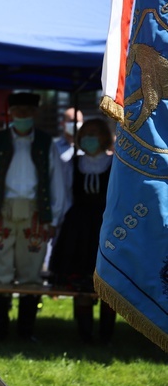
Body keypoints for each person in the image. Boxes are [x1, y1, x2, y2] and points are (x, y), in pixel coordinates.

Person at [0, 92, 66, 341]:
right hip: (0, 211)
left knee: (31, 273)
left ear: (34, 113)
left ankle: (26, 333)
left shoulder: (47, 143)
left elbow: (58, 183)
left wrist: (53, 219)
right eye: (17, 110)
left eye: (27, 110)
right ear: (10, 113)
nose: (22, 115)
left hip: (36, 212)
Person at [49, 118, 117, 343]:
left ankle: (107, 333)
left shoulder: (115, 164)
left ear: (104, 137)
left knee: (109, 280)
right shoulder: (71, 164)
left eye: (95, 132)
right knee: (80, 276)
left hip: (106, 226)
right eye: (86, 133)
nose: (89, 137)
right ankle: (85, 334)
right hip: (78, 229)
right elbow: (65, 197)